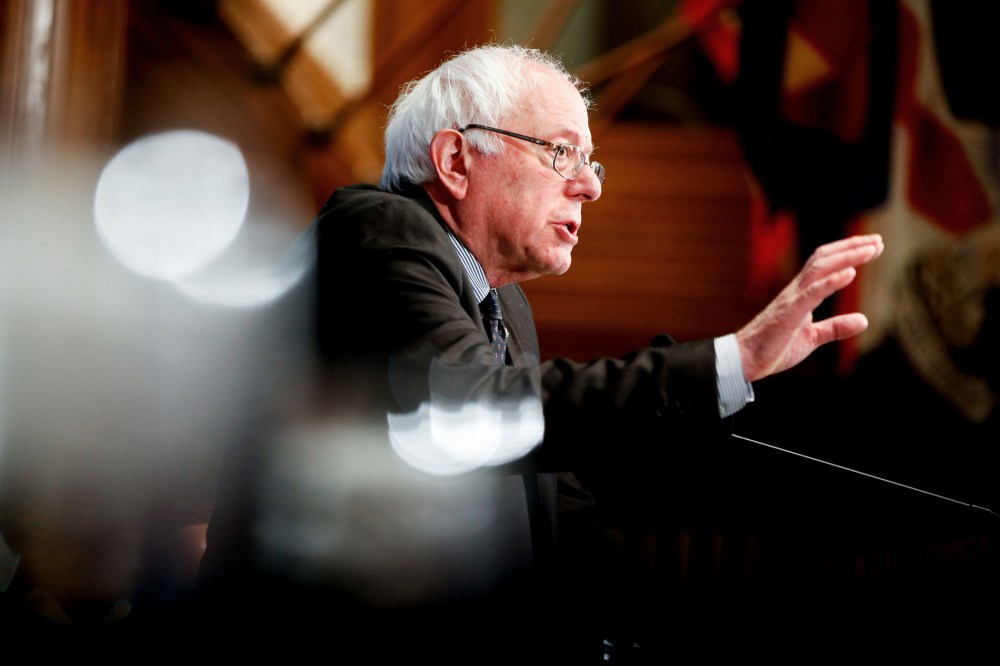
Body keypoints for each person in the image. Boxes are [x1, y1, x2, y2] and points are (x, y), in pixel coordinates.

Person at [195, 43, 884, 661]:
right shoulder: (375, 232)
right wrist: (730, 360)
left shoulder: (503, 304)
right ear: (456, 160)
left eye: (590, 164)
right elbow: (476, 410)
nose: (587, 185)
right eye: (560, 154)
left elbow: (566, 531)